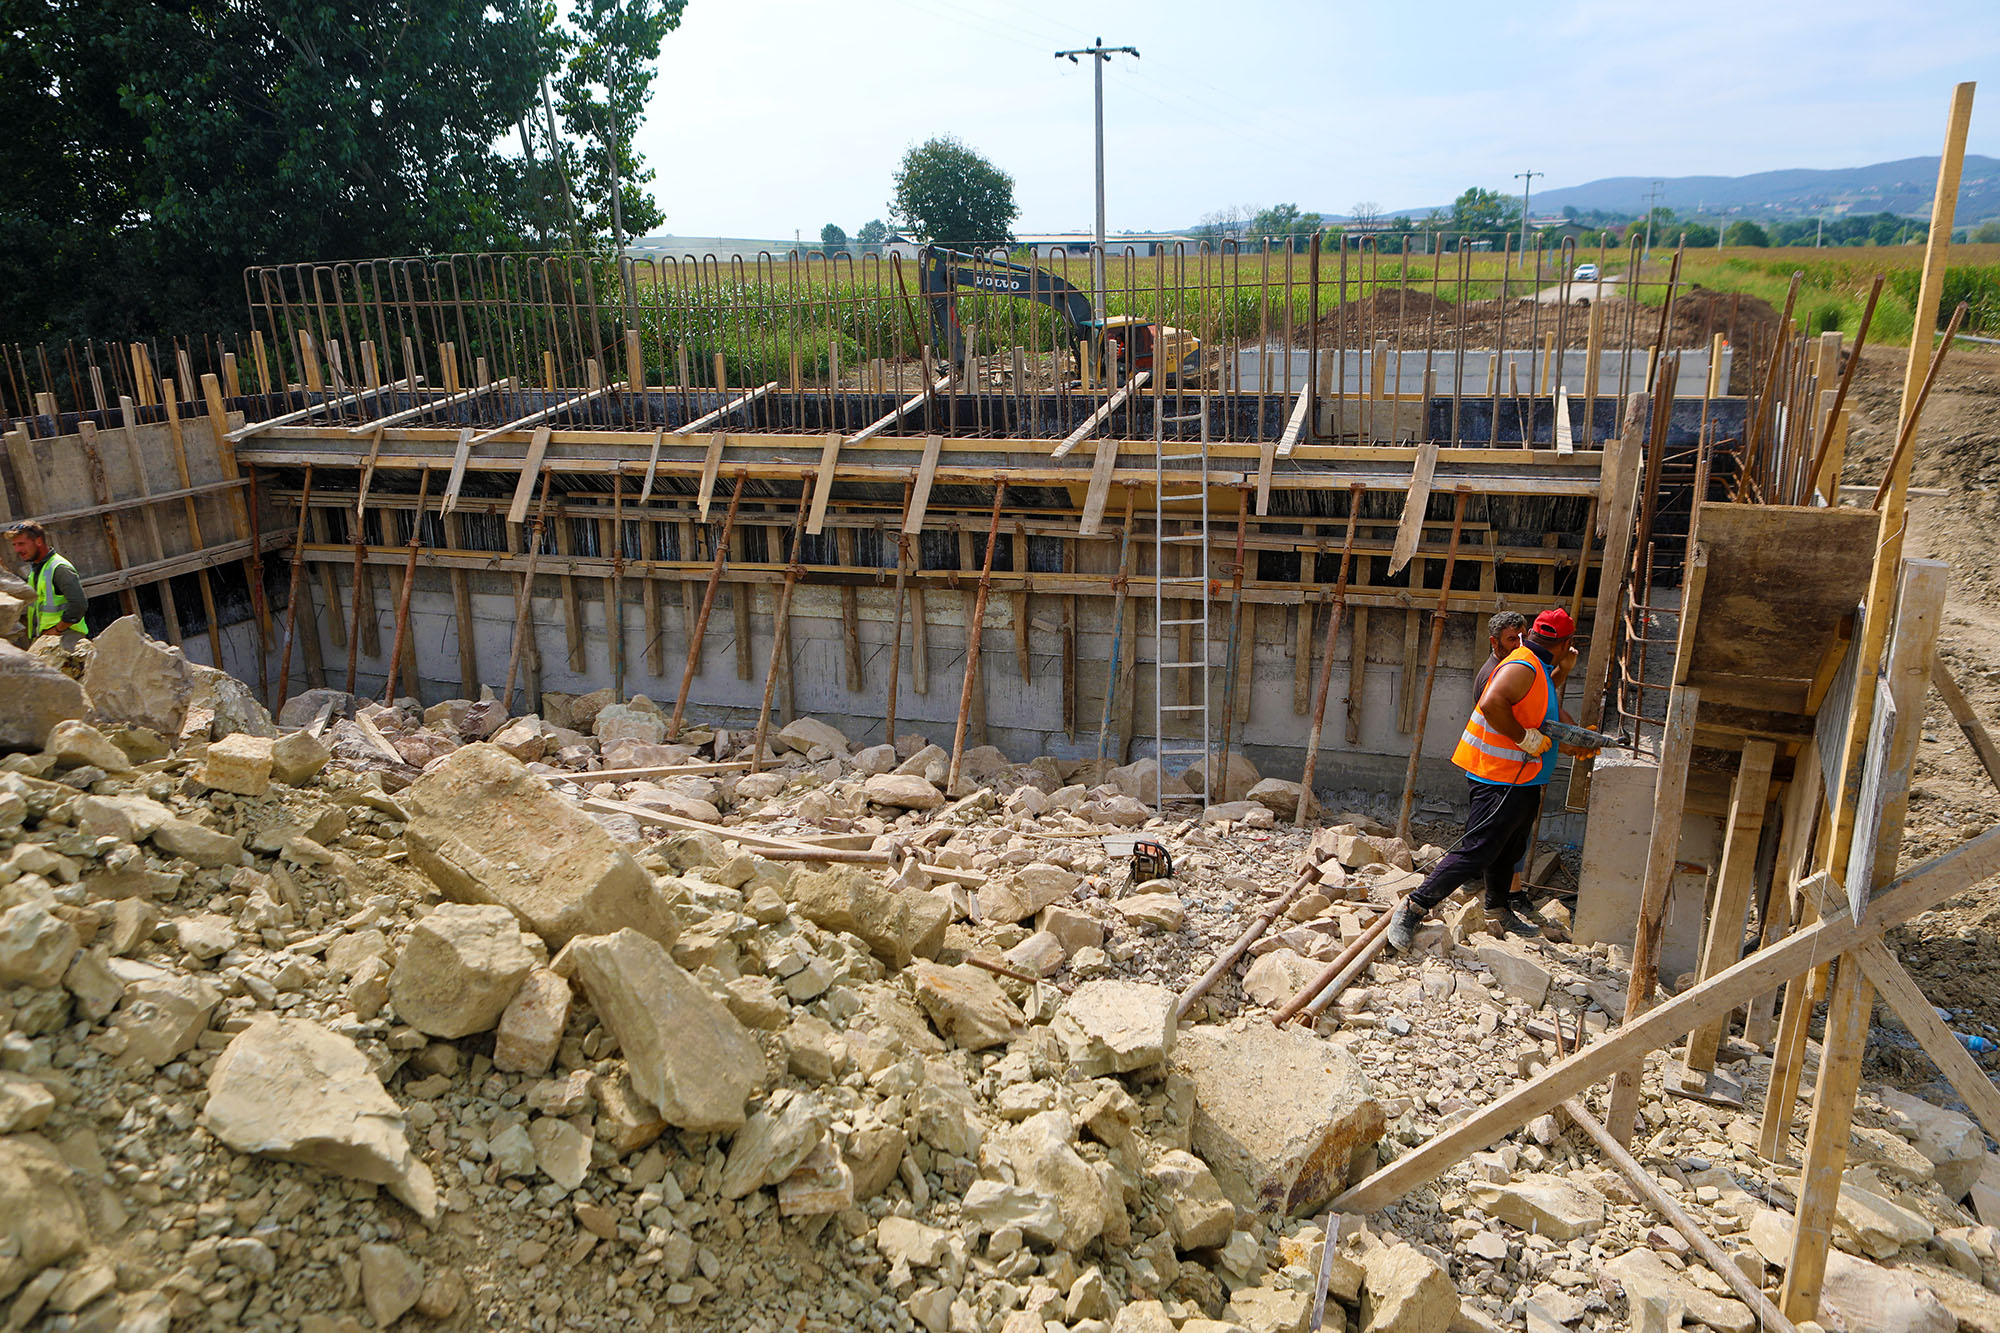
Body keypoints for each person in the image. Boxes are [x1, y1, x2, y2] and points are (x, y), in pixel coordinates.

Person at [1386, 607, 1585, 947]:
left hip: (1522, 777)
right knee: (1478, 850)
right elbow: (1494, 705)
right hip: (1498, 777)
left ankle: (1498, 907)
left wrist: (1567, 740)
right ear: (1566, 643)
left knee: (1510, 847)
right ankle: (1415, 906)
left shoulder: (1539, 666)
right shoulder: (1522, 666)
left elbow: (1541, 707)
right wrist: (1526, 739)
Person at [7, 520, 89, 641]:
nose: (17, 550)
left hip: (66, 638)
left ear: (38, 541)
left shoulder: (59, 568)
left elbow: (79, 605)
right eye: (14, 545)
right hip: (48, 638)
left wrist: (57, 630)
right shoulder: (37, 570)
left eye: (21, 544)